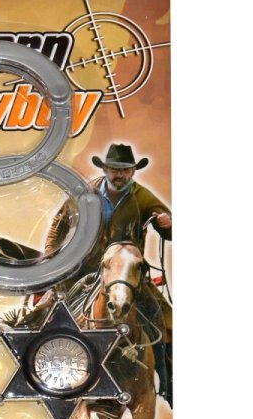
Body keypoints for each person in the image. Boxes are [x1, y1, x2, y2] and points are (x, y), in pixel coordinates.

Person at [46, 144, 173, 405]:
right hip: (84, 270)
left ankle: (169, 382)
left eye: (125, 170)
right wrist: (51, 261)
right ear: (105, 169)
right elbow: (57, 226)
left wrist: (168, 224)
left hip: (127, 275)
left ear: (133, 172)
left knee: (167, 322)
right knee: (45, 311)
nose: (120, 175)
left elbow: (168, 224)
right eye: (115, 169)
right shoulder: (86, 194)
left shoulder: (142, 197)